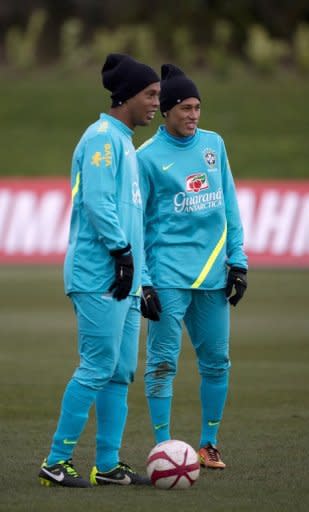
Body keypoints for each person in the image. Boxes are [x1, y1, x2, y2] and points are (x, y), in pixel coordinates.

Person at [38, 54, 160, 488]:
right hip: (98, 272)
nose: (155, 103)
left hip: (125, 276)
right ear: (126, 95)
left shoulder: (125, 142)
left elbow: (132, 218)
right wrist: (122, 254)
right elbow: (97, 203)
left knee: (121, 369)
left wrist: (142, 278)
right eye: (150, 94)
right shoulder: (101, 138)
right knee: (98, 363)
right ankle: (56, 461)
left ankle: (107, 465)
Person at [137, 64, 248, 470]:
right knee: (163, 363)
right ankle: (165, 449)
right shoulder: (145, 158)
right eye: (185, 107)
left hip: (213, 275)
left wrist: (238, 262)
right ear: (166, 110)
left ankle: (209, 444)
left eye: (198, 107)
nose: (193, 115)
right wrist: (144, 280)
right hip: (167, 275)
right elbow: (139, 223)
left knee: (217, 361)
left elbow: (229, 205)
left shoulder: (213, 145)